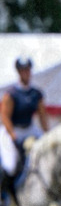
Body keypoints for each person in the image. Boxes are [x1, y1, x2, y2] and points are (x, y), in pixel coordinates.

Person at [0, 56, 49, 186]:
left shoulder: (36, 93)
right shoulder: (12, 93)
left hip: (29, 128)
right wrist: (13, 136)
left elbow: (42, 116)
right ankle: (4, 193)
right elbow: (5, 117)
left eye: (27, 70)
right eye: (23, 70)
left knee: (47, 152)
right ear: (19, 72)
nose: (26, 73)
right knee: (9, 165)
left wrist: (47, 134)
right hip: (13, 129)